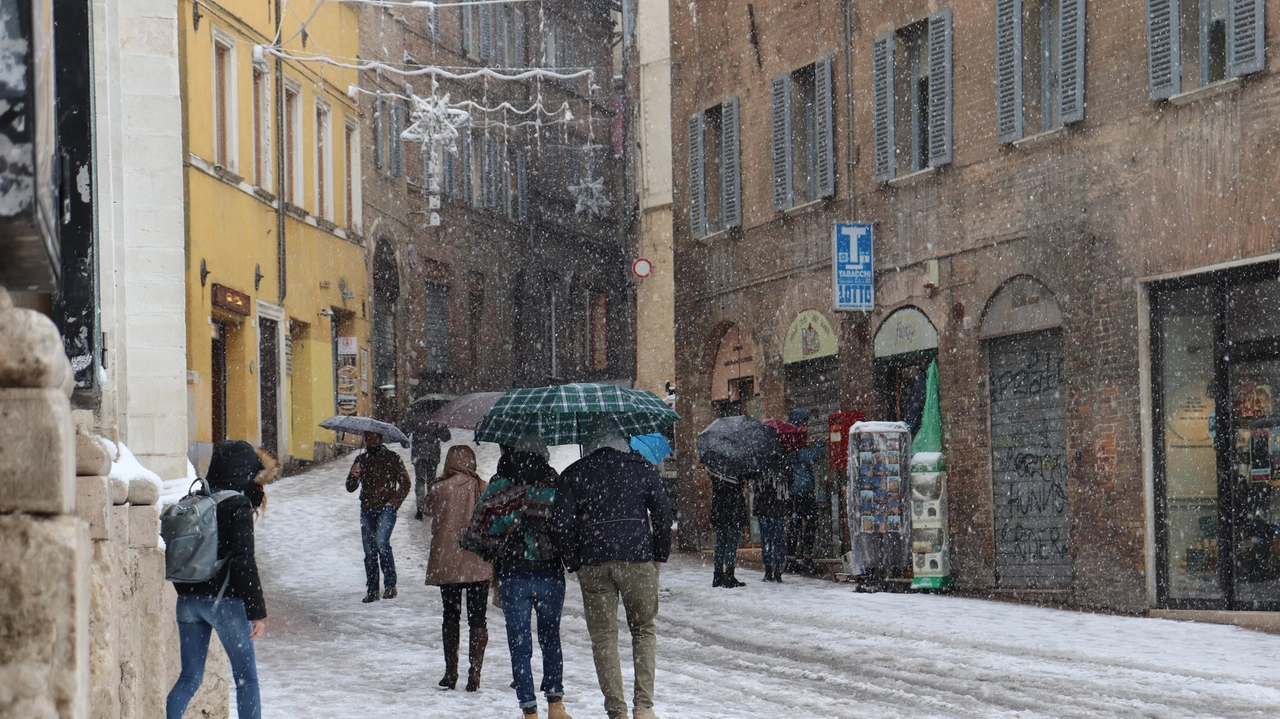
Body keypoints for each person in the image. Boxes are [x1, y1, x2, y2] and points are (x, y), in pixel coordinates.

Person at [555, 418, 673, 719]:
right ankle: (644, 707)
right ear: (622, 440)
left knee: (604, 637)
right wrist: (659, 553)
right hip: (638, 559)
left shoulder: (574, 474)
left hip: (594, 562)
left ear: (590, 442)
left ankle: (617, 711)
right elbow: (662, 512)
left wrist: (574, 561)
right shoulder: (642, 468)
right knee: (644, 630)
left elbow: (562, 523)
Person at [166, 440, 275, 719]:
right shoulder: (236, 504)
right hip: (224, 604)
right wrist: (257, 611)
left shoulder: (194, 500)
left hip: (188, 602)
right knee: (246, 679)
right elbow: (243, 561)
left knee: (189, 677)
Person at [472, 435, 573, 719]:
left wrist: (498, 544)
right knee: (551, 638)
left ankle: (529, 710)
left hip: (512, 575)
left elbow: (477, 531)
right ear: (544, 457)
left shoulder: (501, 484)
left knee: (519, 643)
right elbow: (567, 526)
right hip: (550, 573)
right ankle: (556, 705)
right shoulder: (555, 486)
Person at [425, 445, 493, 691]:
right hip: (478, 562)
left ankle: (450, 671)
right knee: (478, 618)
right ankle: (474, 674)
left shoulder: (440, 488)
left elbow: (427, 510)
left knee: (450, 616)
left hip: (449, 563)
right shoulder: (483, 487)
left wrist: (437, 482)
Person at [345, 430, 412, 603]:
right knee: (369, 551)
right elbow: (350, 487)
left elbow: (405, 483)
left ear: (381, 438)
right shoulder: (361, 459)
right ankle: (372, 590)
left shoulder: (392, 457)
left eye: (374, 437)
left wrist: (394, 502)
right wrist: (354, 475)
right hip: (366, 509)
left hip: (386, 509)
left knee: (382, 543)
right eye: (368, 437)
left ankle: (390, 586)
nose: (371, 440)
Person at [785, 409, 823, 574]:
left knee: (796, 524)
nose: (806, 428)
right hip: (801, 491)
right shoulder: (796, 443)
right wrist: (820, 445)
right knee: (809, 523)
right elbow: (811, 458)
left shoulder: (793, 442)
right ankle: (805, 558)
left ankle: (791, 558)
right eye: (803, 424)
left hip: (797, 491)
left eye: (807, 425)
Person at [403, 405, 452, 520]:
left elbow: (405, 432)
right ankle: (430, 506)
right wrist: (443, 428)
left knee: (420, 481)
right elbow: (446, 437)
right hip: (433, 454)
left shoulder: (414, 416)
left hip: (418, 454)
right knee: (431, 481)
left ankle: (420, 508)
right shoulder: (437, 417)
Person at [753, 452, 791, 583]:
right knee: (776, 539)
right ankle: (775, 570)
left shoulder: (761, 462)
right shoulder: (780, 462)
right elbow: (789, 479)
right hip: (775, 507)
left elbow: (756, 483)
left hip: (768, 507)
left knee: (768, 540)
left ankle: (770, 570)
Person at [709, 468, 748, 588]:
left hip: (720, 508)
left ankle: (718, 575)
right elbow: (739, 484)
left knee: (720, 542)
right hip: (733, 509)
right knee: (731, 543)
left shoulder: (714, 466)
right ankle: (729, 575)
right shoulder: (736, 466)